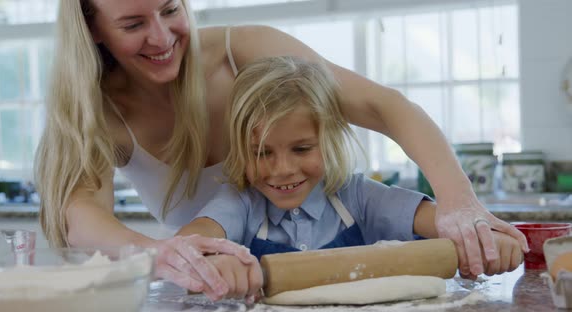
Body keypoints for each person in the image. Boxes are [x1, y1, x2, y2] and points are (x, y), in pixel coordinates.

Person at [34, 0, 527, 302]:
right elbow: (81, 217)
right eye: (132, 24)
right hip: (227, 282)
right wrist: (170, 254)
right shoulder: (93, 107)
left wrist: (460, 206)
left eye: (170, 9)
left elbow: (384, 106)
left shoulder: (245, 51)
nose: (162, 38)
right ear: (92, 27)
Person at [177, 56, 524, 300]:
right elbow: (192, 242)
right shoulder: (242, 205)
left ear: (330, 140)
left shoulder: (358, 198)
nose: (281, 169)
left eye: (301, 149)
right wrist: (213, 260)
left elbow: (447, 224)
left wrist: (486, 241)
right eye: (262, 152)